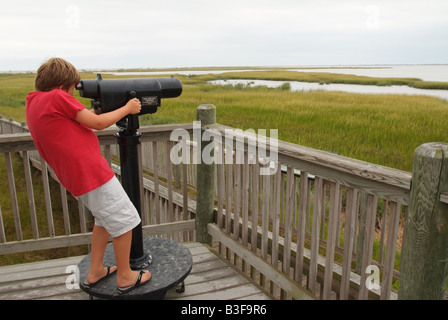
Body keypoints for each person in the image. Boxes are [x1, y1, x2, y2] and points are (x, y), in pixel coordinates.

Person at [25, 57, 151, 295]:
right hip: (91, 172)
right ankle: (126, 277)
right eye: (73, 88)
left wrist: (95, 111)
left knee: (103, 220)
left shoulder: (35, 102)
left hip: (76, 176)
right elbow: (97, 123)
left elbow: (79, 120)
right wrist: (128, 108)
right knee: (127, 220)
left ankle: (96, 271)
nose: (74, 93)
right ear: (63, 84)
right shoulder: (57, 96)